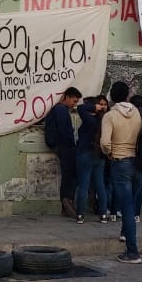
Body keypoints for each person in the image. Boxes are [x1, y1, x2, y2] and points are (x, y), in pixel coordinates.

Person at [101, 80, 142, 264]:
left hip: (120, 161)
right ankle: (126, 234)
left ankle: (132, 251)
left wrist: (109, 153)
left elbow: (104, 142)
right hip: (138, 161)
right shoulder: (137, 113)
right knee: (132, 204)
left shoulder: (110, 116)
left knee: (125, 206)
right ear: (127, 95)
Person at [44, 87, 81, 218]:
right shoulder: (60, 110)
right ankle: (66, 201)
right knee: (69, 175)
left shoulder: (61, 110)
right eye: (74, 101)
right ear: (66, 97)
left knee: (70, 175)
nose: (74, 104)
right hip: (65, 147)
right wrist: (70, 145)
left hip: (64, 147)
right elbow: (64, 130)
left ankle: (66, 203)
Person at [74, 95, 111, 224]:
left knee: (83, 185)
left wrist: (94, 106)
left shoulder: (90, 120)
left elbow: (80, 108)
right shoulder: (107, 122)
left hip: (85, 154)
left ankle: (80, 214)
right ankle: (103, 214)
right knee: (100, 185)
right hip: (99, 156)